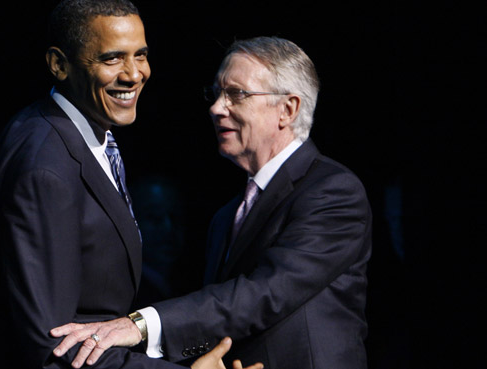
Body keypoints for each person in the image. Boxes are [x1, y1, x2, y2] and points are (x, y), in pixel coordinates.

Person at [0, 1, 262, 368]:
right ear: (59, 65)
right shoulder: (44, 167)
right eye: (112, 59)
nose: (133, 74)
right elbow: (50, 348)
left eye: (141, 55)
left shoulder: (71, 133)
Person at [49, 36, 372, 369]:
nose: (217, 108)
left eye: (236, 94)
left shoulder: (333, 192)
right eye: (216, 93)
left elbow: (266, 293)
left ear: (287, 109)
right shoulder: (226, 216)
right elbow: (225, 322)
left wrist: (139, 325)